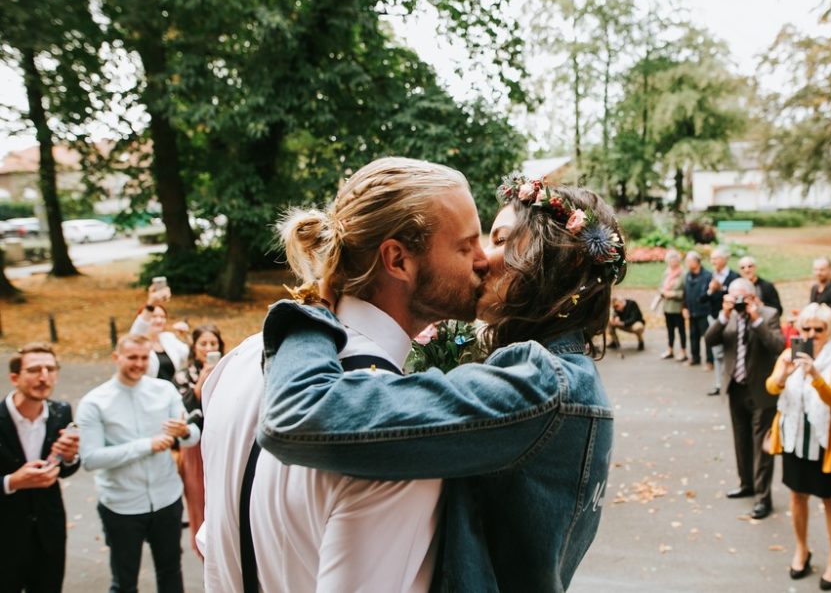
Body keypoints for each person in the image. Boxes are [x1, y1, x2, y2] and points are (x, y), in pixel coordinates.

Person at [254, 170, 620, 591]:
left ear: (568, 261)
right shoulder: (567, 380)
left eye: (500, 240)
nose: (482, 258)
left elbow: (302, 413)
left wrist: (311, 312)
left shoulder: (541, 386)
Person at [199, 157, 490, 591]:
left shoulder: (238, 362)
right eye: (466, 246)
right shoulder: (390, 428)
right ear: (398, 260)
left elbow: (211, 543)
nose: (484, 260)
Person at [77, 334, 199, 593]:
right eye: (132, 357)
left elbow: (191, 438)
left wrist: (185, 432)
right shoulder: (95, 402)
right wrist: (146, 445)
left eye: (144, 358)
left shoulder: (164, 390)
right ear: (116, 357)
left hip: (167, 499)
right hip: (122, 505)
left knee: (171, 572)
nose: (139, 363)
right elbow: (90, 459)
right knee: (124, 581)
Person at [766, 303, 831, 589]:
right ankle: (801, 548)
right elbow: (771, 387)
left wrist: (815, 375)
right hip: (795, 440)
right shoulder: (789, 354)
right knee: (797, 497)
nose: (812, 334)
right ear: (799, 329)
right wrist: (784, 374)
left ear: (830, 332)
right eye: (807, 328)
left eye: (819, 329)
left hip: (826, 443)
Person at [1, 343, 80, 593]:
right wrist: (12, 481)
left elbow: (65, 468)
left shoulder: (61, 412)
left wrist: (69, 458)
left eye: (50, 369)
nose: (44, 376)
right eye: (34, 370)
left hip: (49, 529)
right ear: (15, 377)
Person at [704, 277, 785, 520]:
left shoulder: (768, 315)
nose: (739, 302)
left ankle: (763, 498)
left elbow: (778, 346)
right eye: (734, 297)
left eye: (743, 297)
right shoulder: (728, 317)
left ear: (752, 297)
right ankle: (746, 484)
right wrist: (723, 315)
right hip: (735, 388)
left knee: (762, 446)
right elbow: (709, 340)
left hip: (761, 390)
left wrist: (755, 318)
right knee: (741, 440)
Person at [171, 324, 224, 559]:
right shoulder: (183, 375)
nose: (209, 348)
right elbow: (185, 408)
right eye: (204, 343)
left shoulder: (230, 368)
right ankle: (204, 552)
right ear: (194, 347)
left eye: (213, 343)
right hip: (195, 444)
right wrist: (202, 382)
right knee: (198, 496)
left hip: (222, 440)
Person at [130, 286, 189, 381]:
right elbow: (135, 332)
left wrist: (186, 337)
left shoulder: (168, 338)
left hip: (169, 392)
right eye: (154, 316)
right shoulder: (138, 340)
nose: (159, 320)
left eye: (162, 317)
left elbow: (190, 355)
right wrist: (151, 304)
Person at [706, 247, 737, 394]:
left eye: (715, 258)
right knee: (717, 353)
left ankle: (730, 382)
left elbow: (735, 297)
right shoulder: (709, 276)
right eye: (711, 259)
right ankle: (719, 384)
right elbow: (702, 299)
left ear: (724, 259)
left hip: (731, 319)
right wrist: (710, 291)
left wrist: (721, 290)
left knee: (731, 351)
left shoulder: (734, 277)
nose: (712, 262)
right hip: (715, 318)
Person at [651, 249, 686, 360]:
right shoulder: (666, 273)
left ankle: (683, 351)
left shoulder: (683, 274)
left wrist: (673, 294)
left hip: (678, 307)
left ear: (678, 260)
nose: (672, 262)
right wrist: (662, 292)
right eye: (670, 260)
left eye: (674, 260)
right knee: (670, 330)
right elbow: (661, 286)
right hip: (667, 307)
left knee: (681, 330)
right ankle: (670, 349)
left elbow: (686, 292)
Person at [683, 251, 713, 369]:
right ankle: (695, 357)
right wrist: (684, 307)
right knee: (693, 336)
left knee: (707, 337)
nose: (686, 264)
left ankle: (710, 361)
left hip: (704, 311)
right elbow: (685, 293)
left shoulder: (707, 275)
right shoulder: (687, 275)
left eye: (688, 261)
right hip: (691, 311)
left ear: (696, 262)